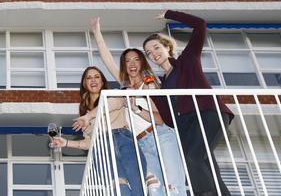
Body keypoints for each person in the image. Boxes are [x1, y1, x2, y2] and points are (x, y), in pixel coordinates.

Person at [90, 17, 186, 196]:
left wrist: (138, 110)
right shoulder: (124, 86)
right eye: (128, 61)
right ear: (124, 66)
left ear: (142, 62)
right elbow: (107, 59)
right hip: (141, 144)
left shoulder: (152, 85)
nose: (132, 63)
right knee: (154, 190)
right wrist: (97, 33)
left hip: (161, 136)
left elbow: (160, 119)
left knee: (173, 187)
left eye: (136, 59)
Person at [143, 10, 234, 196]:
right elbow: (169, 120)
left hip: (208, 114)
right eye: (149, 53)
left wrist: (170, 14)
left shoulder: (187, 60)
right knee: (206, 166)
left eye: (156, 48)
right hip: (187, 127)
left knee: (192, 158)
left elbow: (200, 24)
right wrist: (154, 96)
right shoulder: (163, 84)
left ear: (167, 47)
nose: (153, 54)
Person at [51, 66, 146, 196]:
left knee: (138, 188)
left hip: (125, 140)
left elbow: (116, 103)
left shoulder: (111, 94)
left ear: (102, 82)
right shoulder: (84, 112)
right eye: (89, 78)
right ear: (85, 83)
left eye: (97, 77)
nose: (93, 80)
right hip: (101, 147)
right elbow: (88, 142)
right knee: (118, 188)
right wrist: (66, 143)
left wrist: (88, 117)